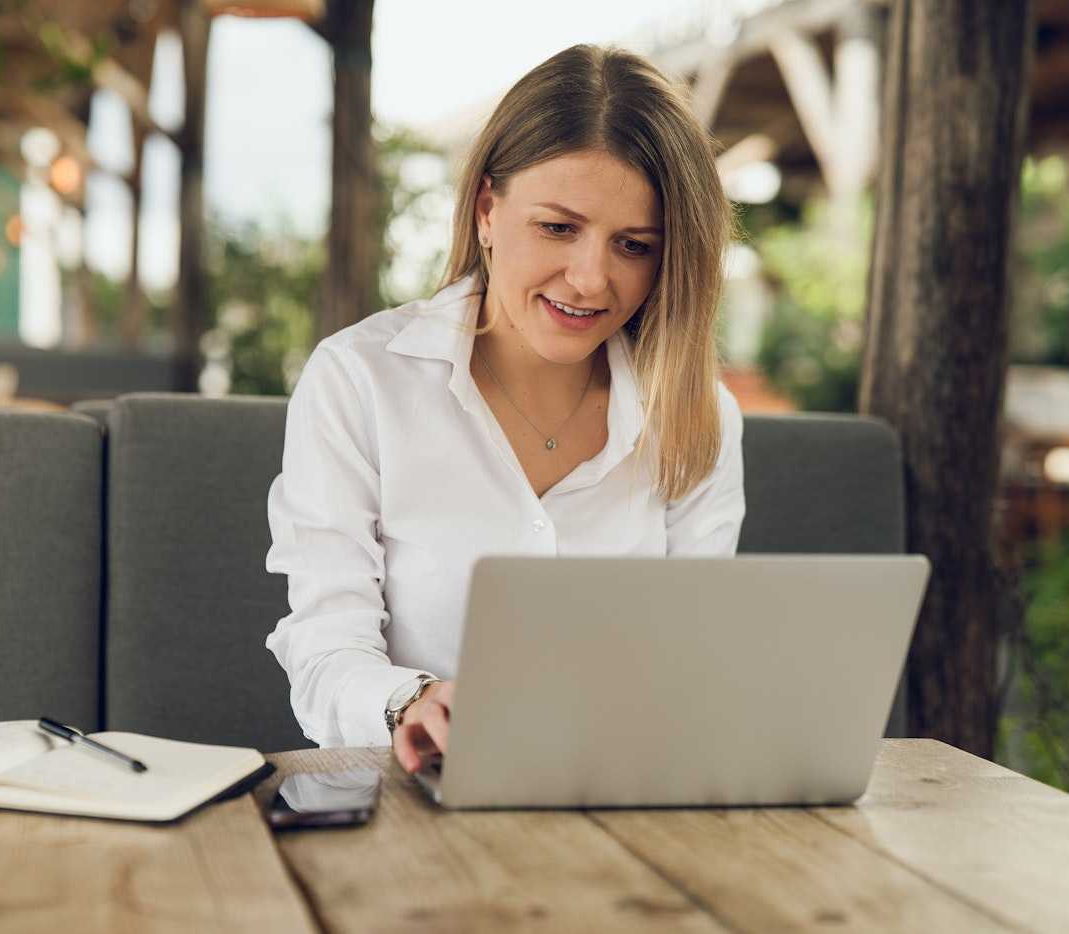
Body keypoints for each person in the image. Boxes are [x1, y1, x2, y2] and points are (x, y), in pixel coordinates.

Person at [265, 44, 745, 775]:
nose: (590, 279)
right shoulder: (360, 381)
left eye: (634, 245)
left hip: (624, 803)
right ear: (489, 210)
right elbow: (325, 649)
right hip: (414, 804)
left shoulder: (696, 415)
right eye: (558, 227)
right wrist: (414, 701)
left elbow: (695, 659)